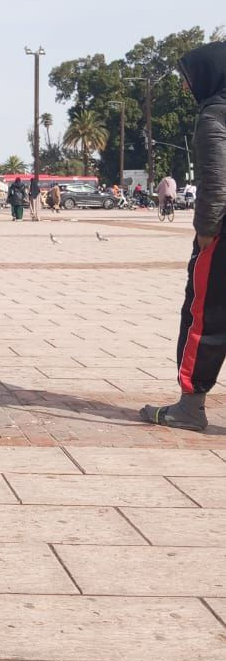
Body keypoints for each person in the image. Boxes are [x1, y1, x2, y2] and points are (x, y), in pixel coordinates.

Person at [140, 42, 226, 433]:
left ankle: (190, 407)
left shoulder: (215, 114)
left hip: (221, 235)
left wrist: (206, 235)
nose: (188, 87)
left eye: (190, 79)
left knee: (204, 317)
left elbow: (215, 181)